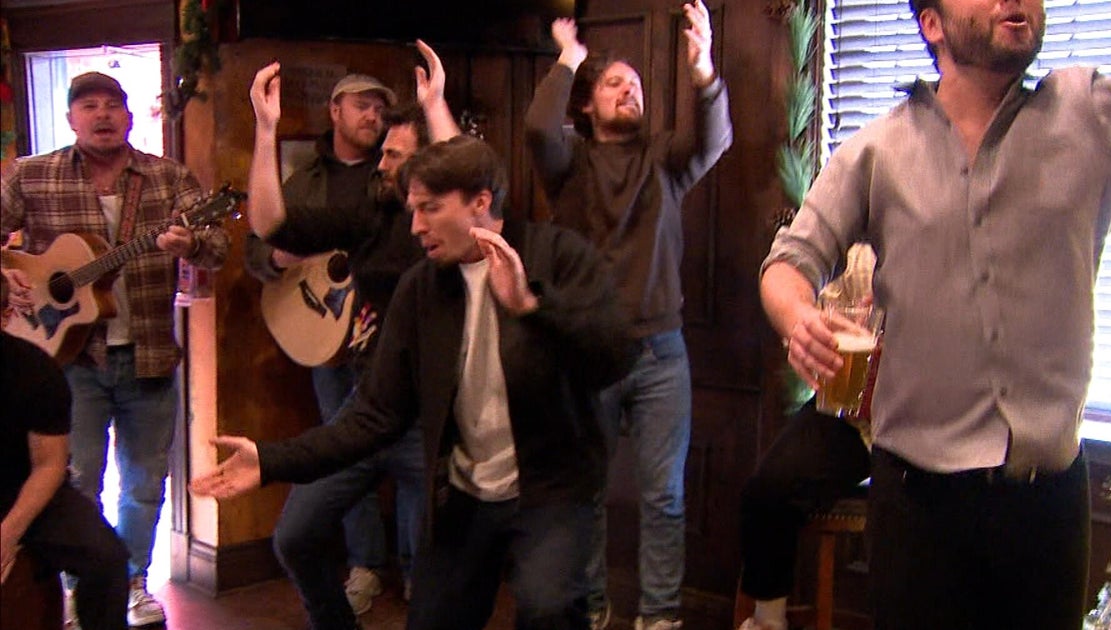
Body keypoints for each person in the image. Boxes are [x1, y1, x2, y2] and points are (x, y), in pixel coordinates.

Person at [759, 0, 1111, 625]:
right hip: (917, 510)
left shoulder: (1094, 116)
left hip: (1047, 508)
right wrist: (798, 316)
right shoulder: (877, 150)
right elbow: (787, 263)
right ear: (932, 24)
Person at [191, 134, 635, 630]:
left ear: (480, 202)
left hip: (550, 490)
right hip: (466, 493)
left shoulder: (559, 254)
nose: (416, 225)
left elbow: (615, 356)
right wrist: (271, 460)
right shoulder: (422, 286)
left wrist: (532, 307)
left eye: (430, 208)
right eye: (413, 209)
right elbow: (373, 415)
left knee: (547, 608)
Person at [523, 2, 732, 628]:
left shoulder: (664, 159)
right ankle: (591, 607)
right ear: (587, 106)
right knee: (585, 493)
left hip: (661, 354)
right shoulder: (569, 163)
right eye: (615, 83)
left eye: (636, 85)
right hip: (589, 354)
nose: (629, 90)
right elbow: (538, 129)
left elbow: (714, 138)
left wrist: (703, 66)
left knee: (664, 496)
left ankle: (659, 616)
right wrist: (570, 59)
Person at [242, 42, 459, 630]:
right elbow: (270, 224)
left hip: (431, 423)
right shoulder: (371, 214)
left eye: (394, 155)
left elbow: (462, 173)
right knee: (296, 536)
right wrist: (265, 130)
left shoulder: (455, 234)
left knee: (436, 581)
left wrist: (435, 105)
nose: (381, 164)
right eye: (382, 152)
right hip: (366, 410)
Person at [1, 71, 229, 628]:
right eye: (89, 106)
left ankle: (130, 582)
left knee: (144, 483)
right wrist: (6, 273)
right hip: (66, 360)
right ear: (70, 118)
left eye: (112, 104)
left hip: (147, 354)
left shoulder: (168, 176)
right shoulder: (33, 175)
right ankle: (80, 588)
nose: (102, 114)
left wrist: (192, 241)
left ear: (128, 116)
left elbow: (218, 248)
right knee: (76, 479)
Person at [737, 245, 875, 630]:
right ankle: (768, 620)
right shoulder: (856, 249)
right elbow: (793, 269)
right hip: (851, 410)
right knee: (767, 489)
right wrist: (806, 323)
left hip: (933, 418)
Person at [1, 274, 131, 630]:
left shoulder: (35, 370)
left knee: (107, 558)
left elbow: (49, 464)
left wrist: (7, 536)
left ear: (6, 315)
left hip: (28, 487)